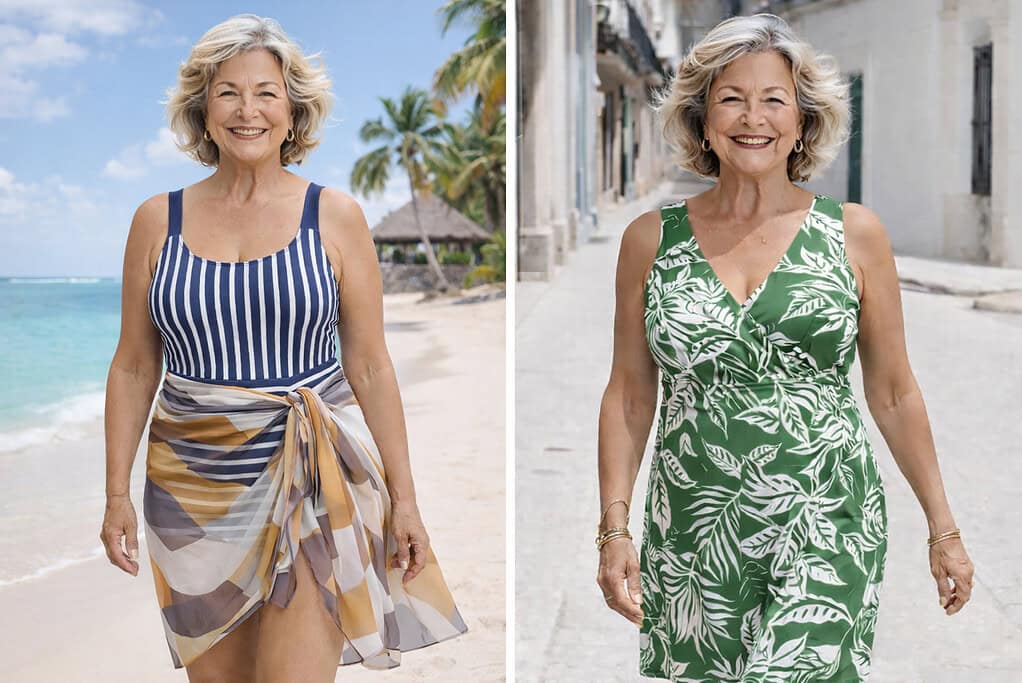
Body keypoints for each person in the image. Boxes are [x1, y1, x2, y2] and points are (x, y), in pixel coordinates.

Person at [596, 13, 974, 682]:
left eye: (774, 99)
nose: (754, 117)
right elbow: (630, 393)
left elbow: (892, 391)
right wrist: (615, 528)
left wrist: (942, 528)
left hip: (826, 519)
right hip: (696, 530)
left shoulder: (855, 235)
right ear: (703, 119)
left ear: (802, 121)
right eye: (731, 98)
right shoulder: (650, 241)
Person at [99, 14, 467, 682]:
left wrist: (407, 498)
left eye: (265, 92)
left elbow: (370, 364)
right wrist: (114, 493)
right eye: (228, 92)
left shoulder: (335, 215)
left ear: (293, 109)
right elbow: (133, 363)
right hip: (189, 489)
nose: (248, 110)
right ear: (201, 110)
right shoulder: (157, 220)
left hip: (314, 478)